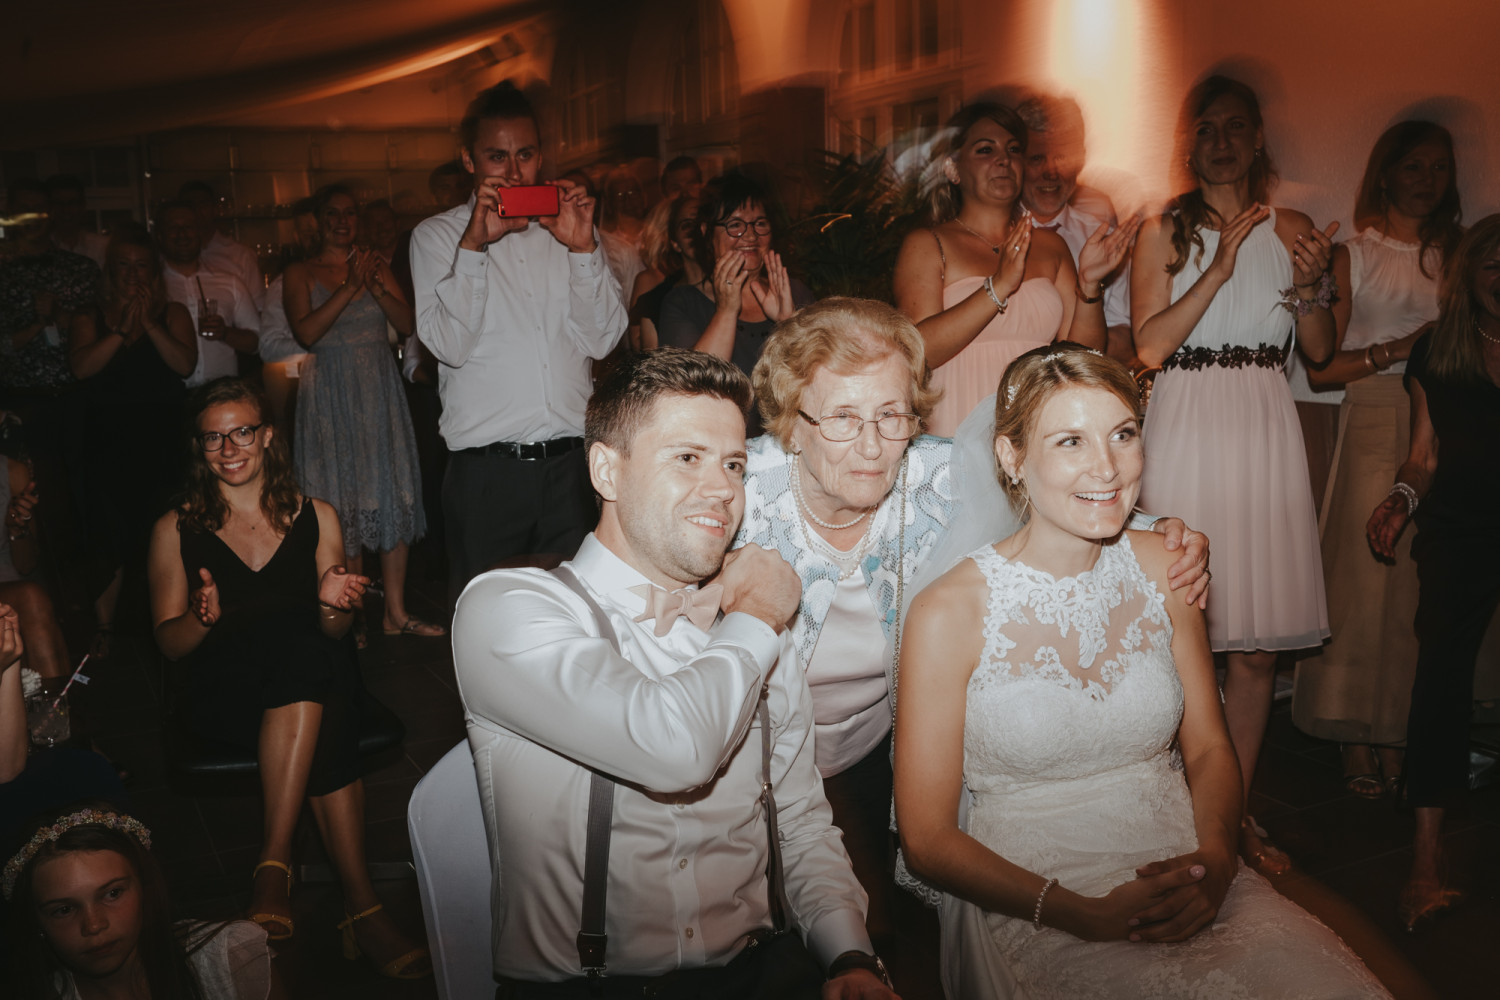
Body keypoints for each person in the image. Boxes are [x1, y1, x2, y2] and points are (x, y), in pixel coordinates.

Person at [894, 342, 1390, 1000]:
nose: (1106, 467)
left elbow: (1211, 747)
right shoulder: (947, 612)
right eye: (1069, 441)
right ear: (1012, 458)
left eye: (1122, 434)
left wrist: (1217, 861)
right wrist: (1080, 913)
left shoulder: (1167, 568)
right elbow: (927, 839)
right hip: (1037, 898)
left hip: (1189, 866)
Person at [737, 298, 1210, 949]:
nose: (875, 447)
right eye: (843, 418)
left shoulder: (934, 475)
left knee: (876, 931)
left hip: (870, 748)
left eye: (892, 414)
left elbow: (1064, 489)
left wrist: (1171, 533)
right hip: (739, 749)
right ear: (792, 423)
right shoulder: (732, 498)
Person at [453, 347, 898, 998]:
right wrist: (760, 620)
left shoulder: (754, 623)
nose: (723, 488)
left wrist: (847, 956)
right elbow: (673, 749)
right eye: (687, 458)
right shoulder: (505, 610)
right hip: (587, 987)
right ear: (606, 469)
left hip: (759, 973)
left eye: (734, 464)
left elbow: (801, 822)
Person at [146, 378, 430, 978]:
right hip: (226, 698)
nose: (229, 448)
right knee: (317, 686)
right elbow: (170, 647)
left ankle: (274, 865)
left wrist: (334, 604)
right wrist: (200, 620)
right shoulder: (176, 526)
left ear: (268, 435)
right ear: (200, 448)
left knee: (308, 657)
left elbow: (331, 631)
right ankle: (363, 908)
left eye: (242, 431)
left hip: (309, 680)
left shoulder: (317, 515)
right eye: (213, 438)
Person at [1132, 75, 1340, 873]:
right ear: (1190, 142)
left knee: (1255, 649)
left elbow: (1317, 352)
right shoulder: (1163, 230)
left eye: (1235, 126)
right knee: (1182, 631)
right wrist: (1216, 269)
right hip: (1185, 420)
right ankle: (1175, 808)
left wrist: (1315, 284)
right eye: (1206, 127)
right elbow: (1149, 348)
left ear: (1258, 138)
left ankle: (1236, 813)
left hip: (1261, 420)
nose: (1220, 139)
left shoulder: (1292, 229)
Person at [1294, 121, 1464, 799]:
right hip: (1370, 410)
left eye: (1440, 168)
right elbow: (1322, 366)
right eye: (1414, 167)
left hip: (1442, 421)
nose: (1427, 181)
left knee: (1421, 589)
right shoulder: (1351, 255)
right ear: (1386, 174)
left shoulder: (1459, 254)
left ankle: (1398, 728)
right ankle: (1351, 733)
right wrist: (1404, 347)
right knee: (1363, 583)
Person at [410, 80, 626, 597]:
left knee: (583, 622)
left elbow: (603, 340)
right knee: (488, 633)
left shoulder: (567, 230)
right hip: (487, 475)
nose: (512, 172)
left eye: (525, 155)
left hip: (574, 467)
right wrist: (474, 248)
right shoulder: (438, 237)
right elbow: (448, 346)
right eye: (496, 156)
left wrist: (582, 248)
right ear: (469, 160)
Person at [1366, 215, 1500, 931]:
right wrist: (1400, 499)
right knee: (1441, 669)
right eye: (1493, 264)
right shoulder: (1437, 354)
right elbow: (1423, 457)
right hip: (1461, 529)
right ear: (1469, 274)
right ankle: (1425, 855)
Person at [893, 102, 1138, 436]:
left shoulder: (1051, 247)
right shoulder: (928, 244)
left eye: (1013, 150)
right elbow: (918, 350)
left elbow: (1082, 356)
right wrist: (997, 288)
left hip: (1035, 425)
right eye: (985, 150)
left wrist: (1090, 285)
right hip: (957, 423)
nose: (1003, 159)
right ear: (953, 169)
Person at [284, 185, 439, 643]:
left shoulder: (375, 264)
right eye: (332, 213)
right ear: (318, 219)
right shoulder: (300, 272)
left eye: (349, 213)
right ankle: (349, 614)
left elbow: (408, 325)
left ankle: (394, 611)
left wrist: (373, 285)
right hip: (329, 392)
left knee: (387, 494)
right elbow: (308, 331)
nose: (341, 221)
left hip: (377, 392)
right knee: (341, 501)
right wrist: (351, 287)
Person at [66, 224, 196, 660]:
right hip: (107, 441)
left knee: (164, 529)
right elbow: (82, 369)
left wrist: (149, 325)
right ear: (111, 270)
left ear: (154, 272)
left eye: (142, 266)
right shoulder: (89, 315)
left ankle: (167, 620)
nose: (133, 274)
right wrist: (121, 330)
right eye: (124, 265)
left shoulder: (173, 311)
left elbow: (184, 364)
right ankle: (105, 627)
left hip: (163, 441)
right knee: (107, 530)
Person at [3, 802, 287, 999]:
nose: (94, 925)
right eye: (64, 910)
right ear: (37, 923)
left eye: (113, 893)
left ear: (144, 888)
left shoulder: (230, 959)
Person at [658, 170, 815, 389]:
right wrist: (726, 310)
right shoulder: (682, 303)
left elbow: (815, 380)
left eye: (760, 223)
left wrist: (787, 324)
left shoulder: (795, 293)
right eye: (735, 225)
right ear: (707, 232)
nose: (750, 236)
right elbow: (694, 389)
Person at [1015, 95, 1135, 364]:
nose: (1051, 172)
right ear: (1016, 161)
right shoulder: (990, 236)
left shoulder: (1102, 238)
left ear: (1081, 158)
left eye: (1062, 157)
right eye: (1037, 158)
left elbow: (1124, 337)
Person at [155, 200, 260, 388]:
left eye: (189, 227)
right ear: (160, 236)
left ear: (200, 234)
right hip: (169, 395)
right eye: (173, 227)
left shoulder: (230, 282)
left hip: (221, 393)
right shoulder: (152, 285)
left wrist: (225, 333)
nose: (182, 234)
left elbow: (256, 342)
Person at [629, 194, 704, 351]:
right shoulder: (657, 298)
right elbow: (642, 349)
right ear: (673, 241)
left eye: (702, 223)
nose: (695, 232)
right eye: (687, 225)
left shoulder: (739, 287)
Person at [179, 180, 265, 311]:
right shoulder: (169, 258)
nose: (197, 211)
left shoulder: (241, 255)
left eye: (203, 204)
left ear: (214, 209)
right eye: (190, 205)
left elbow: (258, 306)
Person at [600, 164, 649, 303]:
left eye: (632, 193)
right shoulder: (606, 247)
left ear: (644, 197)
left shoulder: (660, 237)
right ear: (609, 204)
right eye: (620, 195)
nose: (627, 200)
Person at [44, 175, 108, 270]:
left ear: (82, 206)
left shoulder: (102, 247)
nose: (66, 210)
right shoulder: (43, 247)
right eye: (59, 203)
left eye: (72, 203)